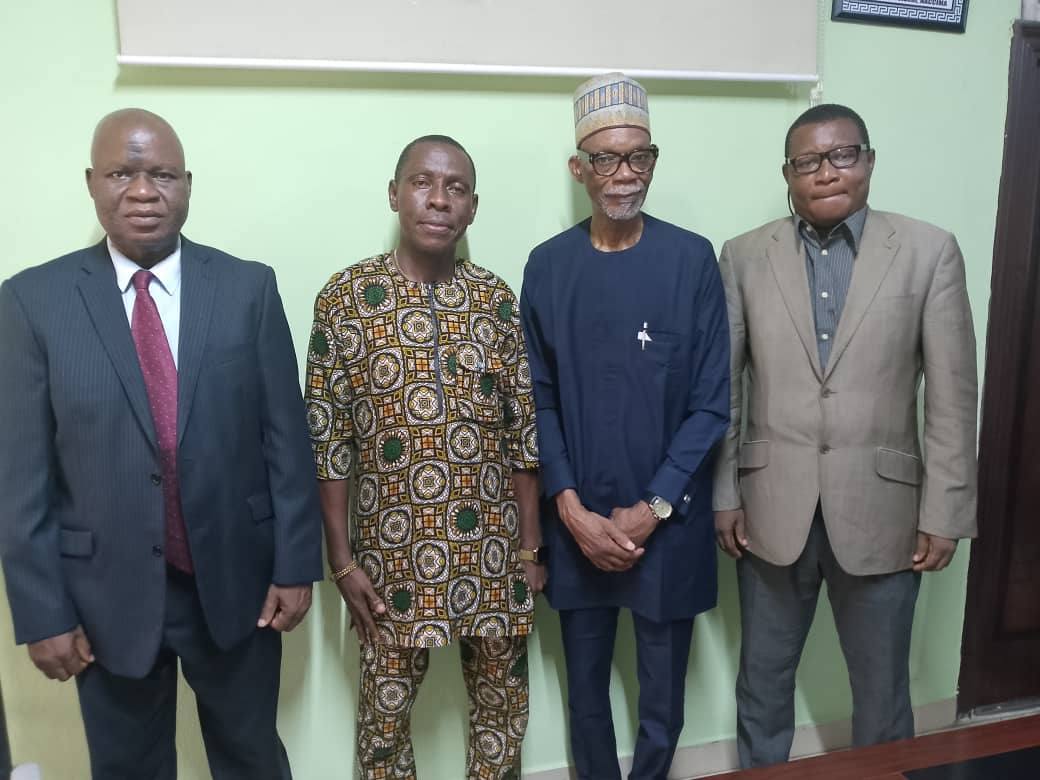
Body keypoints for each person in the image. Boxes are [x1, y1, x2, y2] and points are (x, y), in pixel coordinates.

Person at [0, 108, 322, 779]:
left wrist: (296, 565)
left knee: (253, 757)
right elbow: (21, 475)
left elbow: (286, 443)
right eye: (123, 173)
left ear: (188, 184)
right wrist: (41, 613)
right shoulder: (33, 302)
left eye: (162, 174)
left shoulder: (246, 289)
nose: (144, 191)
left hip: (237, 584)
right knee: (129, 767)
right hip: (104, 595)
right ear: (92, 183)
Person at [713, 103, 979, 767]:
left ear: (868, 161)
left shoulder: (928, 250)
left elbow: (952, 395)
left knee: (884, 689)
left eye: (843, 155)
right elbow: (726, 389)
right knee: (763, 684)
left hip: (884, 510)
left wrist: (945, 512)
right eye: (809, 161)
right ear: (788, 174)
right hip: (771, 508)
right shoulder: (744, 255)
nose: (827, 171)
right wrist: (724, 493)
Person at [306, 134, 542, 779]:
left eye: (455, 188)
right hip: (388, 560)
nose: (438, 199)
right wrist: (341, 559)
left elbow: (524, 435)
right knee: (383, 724)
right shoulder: (346, 298)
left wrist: (529, 551)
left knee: (503, 712)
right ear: (394, 194)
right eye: (422, 182)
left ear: (472, 208)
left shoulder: (495, 300)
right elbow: (329, 446)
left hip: (493, 555)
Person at [519, 73, 730, 780]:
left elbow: (711, 403)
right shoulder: (548, 267)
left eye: (639, 156)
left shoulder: (691, 259)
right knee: (584, 692)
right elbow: (537, 398)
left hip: (664, 525)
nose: (625, 174)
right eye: (606, 159)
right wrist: (569, 507)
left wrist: (653, 508)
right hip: (577, 521)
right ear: (578, 168)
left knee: (661, 697)